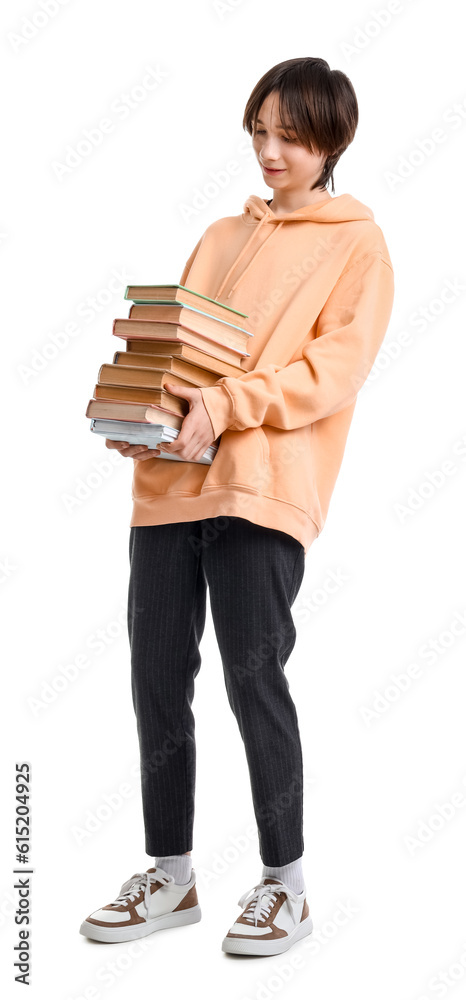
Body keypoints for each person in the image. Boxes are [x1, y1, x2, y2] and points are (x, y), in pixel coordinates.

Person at [79, 56, 394, 957]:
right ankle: (170, 876)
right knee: (155, 680)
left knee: (253, 677)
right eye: (259, 131)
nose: (269, 151)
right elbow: (179, 349)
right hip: (170, 487)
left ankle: (284, 884)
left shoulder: (358, 244)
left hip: (262, 490)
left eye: (289, 136)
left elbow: (334, 373)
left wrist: (229, 403)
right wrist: (141, 412)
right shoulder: (221, 234)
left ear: (332, 139)